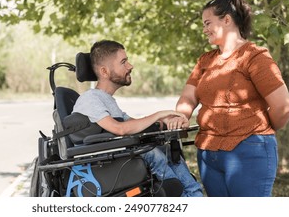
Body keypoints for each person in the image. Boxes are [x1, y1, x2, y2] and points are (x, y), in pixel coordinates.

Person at [168, 0, 289, 197]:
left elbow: (283, 106)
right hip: (208, 153)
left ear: (226, 20)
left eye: (208, 23)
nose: (204, 29)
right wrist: (182, 114)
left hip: (249, 151)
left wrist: (258, 129)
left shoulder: (254, 57)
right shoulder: (205, 61)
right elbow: (189, 96)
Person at [72, 40, 203, 197]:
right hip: (106, 163)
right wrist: (159, 114)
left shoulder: (106, 100)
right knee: (153, 152)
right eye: (123, 62)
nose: (130, 66)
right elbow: (120, 128)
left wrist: (166, 122)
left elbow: (133, 124)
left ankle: (193, 194)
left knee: (170, 151)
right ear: (104, 72)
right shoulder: (90, 99)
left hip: (121, 155)